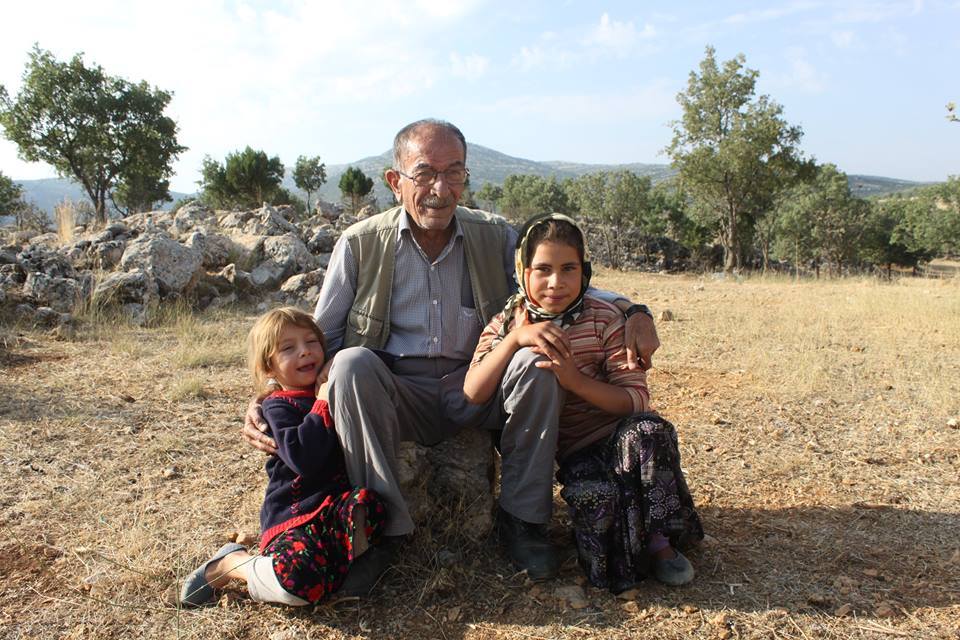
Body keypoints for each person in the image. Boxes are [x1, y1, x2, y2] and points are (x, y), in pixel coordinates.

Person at [242, 119, 661, 586]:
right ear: (395, 181)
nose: (440, 189)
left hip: (479, 389)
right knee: (351, 363)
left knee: (533, 358)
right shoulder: (360, 243)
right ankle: (381, 531)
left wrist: (632, 308)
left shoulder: (494, 236)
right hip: (396, 393)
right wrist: (268, 399)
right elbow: (321, 339)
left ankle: (523, 522)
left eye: (454, 173)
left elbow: (553, 282)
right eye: (424, 174)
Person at [463, 213, 703, 593]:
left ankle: (661, 545)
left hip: (621, 436)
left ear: (585, 270)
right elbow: (473, 391)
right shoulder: (507, 321)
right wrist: (515, 340)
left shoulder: (606, 319)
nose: (556, 282)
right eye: (542, 269)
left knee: (648, 433)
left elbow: (636, 399)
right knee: (600, 523)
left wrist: (575, 380)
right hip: (576, 452)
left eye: (568, 268)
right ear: (522, 272)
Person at [181, 307, 386, 607]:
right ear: (269, 368)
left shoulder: (332, 388)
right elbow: (304, 458)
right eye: (288, 348)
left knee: (372, 506)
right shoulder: (278, 406)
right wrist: (320, 404)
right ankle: (230, 564)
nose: (304, 352)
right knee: (297, 580)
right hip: (295, 517)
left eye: (311, 342)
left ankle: (334, 572)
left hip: (330, 510)